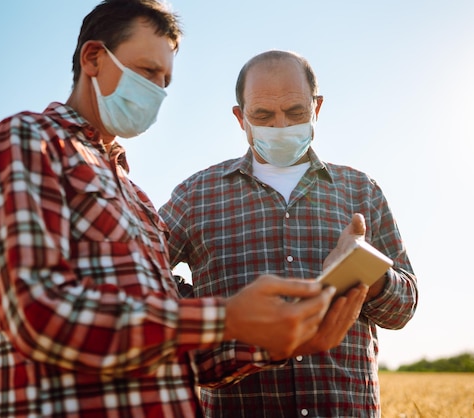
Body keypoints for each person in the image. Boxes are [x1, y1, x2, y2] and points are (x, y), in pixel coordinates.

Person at [0, 2, 366, 417]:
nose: (157, 90)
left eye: (165, 79)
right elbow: (40, 312)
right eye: (147, 71)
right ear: (94, 58)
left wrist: (280, 340)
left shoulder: (137, 198)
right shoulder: (30, 141)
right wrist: (226, 315)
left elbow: (176, 351)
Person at [159, 50, 419, 417]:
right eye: (263, 115)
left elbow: (405, 307)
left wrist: (367, 273)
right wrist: (210, 312)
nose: (280, 126)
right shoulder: (196, 195)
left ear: (317, 107)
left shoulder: (361, 190)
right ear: (240, 117)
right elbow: (141, 273)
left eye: (295, 112)